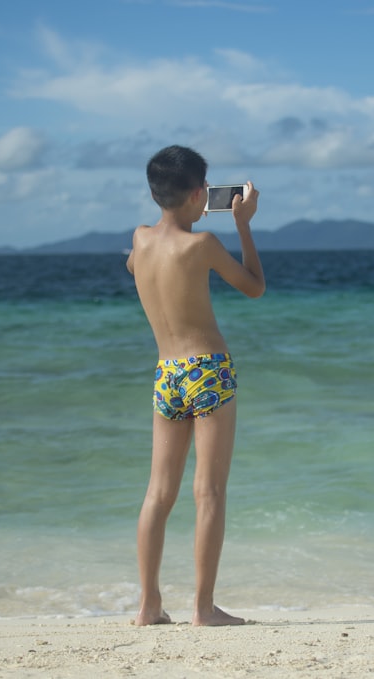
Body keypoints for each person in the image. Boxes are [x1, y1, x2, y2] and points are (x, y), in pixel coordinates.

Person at [127, 145, 265, 626]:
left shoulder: (140, 240)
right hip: (207, 369)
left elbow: (134, 268)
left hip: (166, 374)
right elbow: (253, 286)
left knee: (157, 493)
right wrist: (243, 223)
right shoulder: (202, 244)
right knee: (208, 493)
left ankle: (148, 606)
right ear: (196, 195)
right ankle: (203, 609)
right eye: (204, 188)